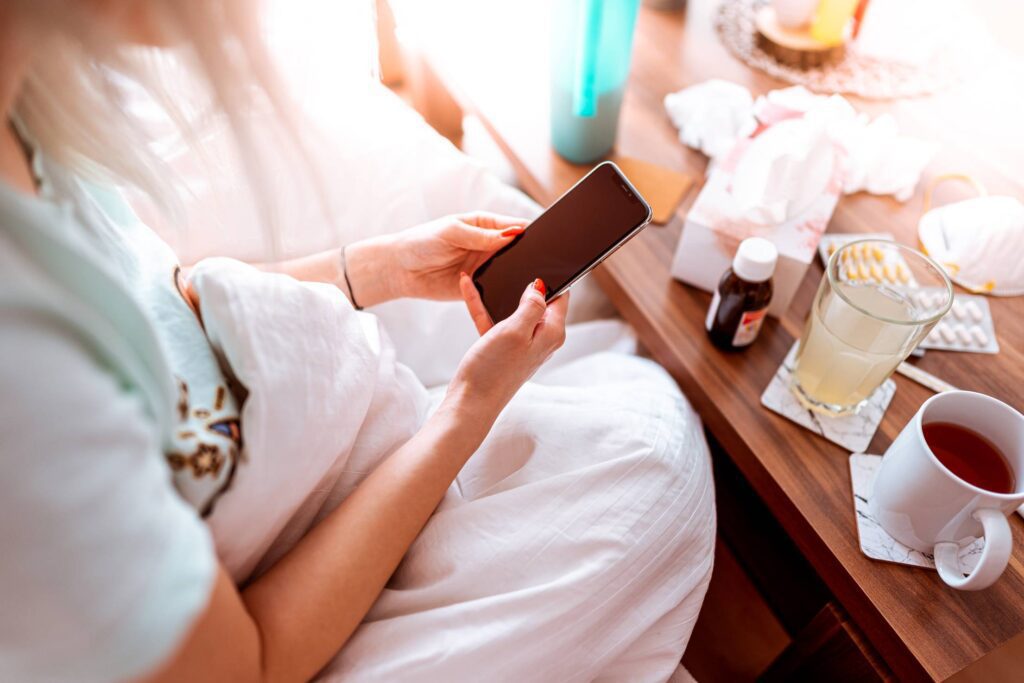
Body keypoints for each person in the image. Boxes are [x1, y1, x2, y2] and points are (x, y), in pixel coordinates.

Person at [0, 1, 715, 681]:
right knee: (654, 476)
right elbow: (249, 663)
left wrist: (379, 267)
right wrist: (469, 407)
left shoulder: (28, 109)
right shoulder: (30, 388)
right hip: (288, 569)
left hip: (338, 418)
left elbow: (164, 294)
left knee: (649, 454)